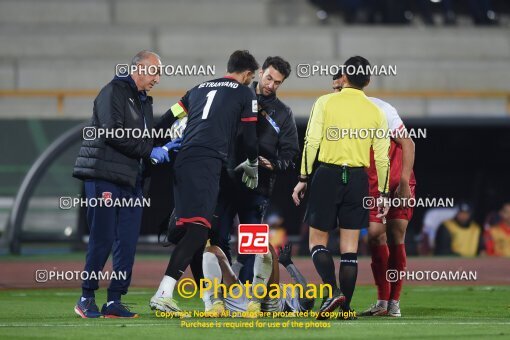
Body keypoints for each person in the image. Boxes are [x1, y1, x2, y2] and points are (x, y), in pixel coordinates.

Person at [72, 50, 181, 318]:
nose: (158, 78)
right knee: (103, 238)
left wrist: (163, 146)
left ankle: (113, 300)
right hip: (105, 177)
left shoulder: (143, 100)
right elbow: (112, 132)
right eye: (155, 71)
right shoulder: (113, 91)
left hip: (132, 181)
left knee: (127, 242)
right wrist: (149, 152)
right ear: (139, 69)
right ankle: (86, 297)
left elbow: (141, 141)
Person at [149, 50, 260, 313]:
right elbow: (249, 136)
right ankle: (163, 293)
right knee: (198, 231)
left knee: (198, 233)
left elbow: (167, 117)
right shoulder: (246, 93)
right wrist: (253, 163)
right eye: (251, 77)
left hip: (185, 160)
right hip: (206, 162)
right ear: (246, 74)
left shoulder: (197, 89)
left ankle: (210, 300)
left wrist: (154, 145)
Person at [292, 56, 391, 320]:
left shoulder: (325, 102)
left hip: (327, 174)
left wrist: (303, 177)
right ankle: (345, 310)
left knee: (316, 242)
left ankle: (333, 290)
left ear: (343, 78)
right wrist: (382, 194)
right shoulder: (376, 112)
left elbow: (311, 142)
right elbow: (382, 158)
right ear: (368, 81)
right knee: (350, 250)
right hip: (357, 179)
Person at [215, 56, 299, 282]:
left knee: (252, 241)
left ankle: (245, 293)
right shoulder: (238, 94)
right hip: (226, 178)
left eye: (278, 82)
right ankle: (222, 289)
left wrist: (275, 164)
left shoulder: (283, 113)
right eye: (269, 78)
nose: (271, 85)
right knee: (218, 235)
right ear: (260, 72)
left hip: (258, 185)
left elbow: (291, 152)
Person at [202, 243, 314, 316]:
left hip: (268, 304)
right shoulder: (293, 293)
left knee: (267, 247)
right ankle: (216, 304)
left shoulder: (298, 304)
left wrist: (288, 264)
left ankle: (254, 302)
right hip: (244, 298)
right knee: (212, 251)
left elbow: (307, 296)